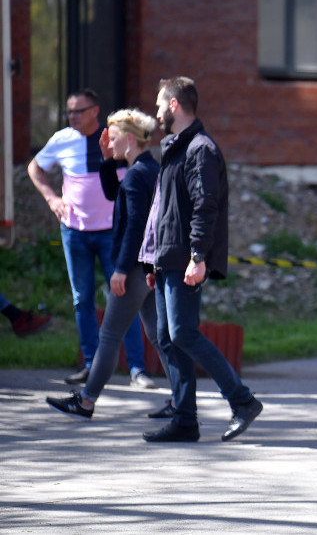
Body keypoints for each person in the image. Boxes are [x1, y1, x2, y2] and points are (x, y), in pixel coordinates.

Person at [141, 76, 262, 443]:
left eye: (160, 103)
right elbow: (166, 210)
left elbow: (204, 207)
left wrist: (197, 256)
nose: (157, 110)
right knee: (165, 337)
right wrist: (154, 261)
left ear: (175, 105)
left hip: (184, 258)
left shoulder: (200, 149)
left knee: (182, 333)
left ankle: (242, 401)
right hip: (167, 259)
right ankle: (185, 420)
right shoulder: (175, 148)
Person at [46, 108, 166, 420]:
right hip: (148, 267)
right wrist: (107, 159)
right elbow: (114, 192)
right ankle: (182, 399)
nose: (108, 143)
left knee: (111, 335)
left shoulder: (139, 174)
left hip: (135, 268)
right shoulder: (146, 168)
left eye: (112, 139)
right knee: (157, 334)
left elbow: (136, 226)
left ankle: (85, 401)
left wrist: (122, 269)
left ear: (129, 139)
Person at [27, 89, 152, 387]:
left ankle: (137, 369)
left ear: (95, 111)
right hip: (74, 231)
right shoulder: (61, 139)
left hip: (111, 233)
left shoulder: (115, 140)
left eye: (78, 111)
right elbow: (35, 167)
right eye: (69, 111)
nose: (72, 116)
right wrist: (51, 199)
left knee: (125, 297)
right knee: (82, 298)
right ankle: (90, 365)